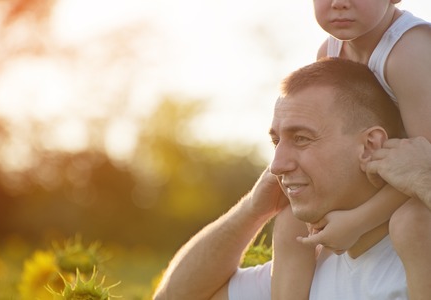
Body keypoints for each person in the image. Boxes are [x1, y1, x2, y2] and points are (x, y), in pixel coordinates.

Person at [153, 57, 407, 300]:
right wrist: (253, 208)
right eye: (276, 141)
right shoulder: (302, 268)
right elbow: (172, 297)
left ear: (370, 146)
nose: (276, 165)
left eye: (301, 138)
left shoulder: (415, 263)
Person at [272, 1, 431, 299]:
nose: (339, 3)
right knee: (291, 223)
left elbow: (423, 163)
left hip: (415, 178)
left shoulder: (410, 52)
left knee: (413, 223)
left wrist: (356, 222)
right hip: (384, 170)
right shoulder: (329, 52)